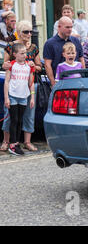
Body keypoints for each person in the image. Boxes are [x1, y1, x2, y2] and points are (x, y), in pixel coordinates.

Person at [0, 20, 42, 153]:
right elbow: (5, 64)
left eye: (30, 31)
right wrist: (6, 65)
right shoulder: (11, 46)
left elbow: (39, 67)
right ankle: (6, 141)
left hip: (29, 84)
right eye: (26, 31)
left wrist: (33, 66)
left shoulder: (34, 47)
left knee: (29, 114)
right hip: (14, 85)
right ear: (18, 32)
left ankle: (27, 142)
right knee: (9, 115)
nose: (29, 34)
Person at [3, 43, 35, 156]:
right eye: (21, 53)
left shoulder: (29, 66)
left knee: (20, 120)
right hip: (12, 96)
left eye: (25, 53)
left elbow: (31, 83)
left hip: (24, 97)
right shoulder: (11, 65)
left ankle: (17, 142)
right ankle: (12, 144)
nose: (24, 55)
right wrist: (6, 98)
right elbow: (6, 82)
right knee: (14, 120)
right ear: (15, 54)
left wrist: (32, 98)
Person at [43, 16, 85, 87]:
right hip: (60, 83)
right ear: (59, 27)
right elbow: (47, 65)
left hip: (77, 83)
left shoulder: (76, 41)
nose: (70, 29)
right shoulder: (49, 43)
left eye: (71, 27)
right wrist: (53, 84)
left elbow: (82, 60)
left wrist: (84, 79)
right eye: (67, 27)